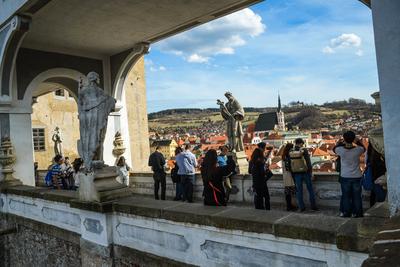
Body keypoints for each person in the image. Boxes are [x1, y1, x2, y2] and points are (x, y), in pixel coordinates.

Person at [334, 131, 365, 217]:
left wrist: (341, 141)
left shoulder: (340, 150)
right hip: (357, 176)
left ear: (344, 139)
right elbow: (363, 148)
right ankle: (358, 213)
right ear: (353, 139)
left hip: (345, 176)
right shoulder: (358, 150)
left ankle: (346, 213)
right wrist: (357, 141)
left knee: (346, 196)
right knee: (357, 196)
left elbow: (334, 148)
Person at [288, 138, 318, 212]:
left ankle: (301, 207)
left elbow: (290, 164)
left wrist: (293, 174)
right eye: (302, 143)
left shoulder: (291, 151)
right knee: (310, 189)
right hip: (305, 172)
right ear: (301, 143)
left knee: (299, 191)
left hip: (296, 173)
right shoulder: (304, 150)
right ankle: (313, 206)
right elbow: (308, 162)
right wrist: (311, 173)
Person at [366, 142, 387, 207]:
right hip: (380, 175)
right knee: (381, 195)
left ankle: (372, 207)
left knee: (374, 194)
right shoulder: (381, 155)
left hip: (374, 175)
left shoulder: (371, 153)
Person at [281, 143, 297, 211]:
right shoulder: (288, 156)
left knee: (288, 193)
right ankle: (290, 206)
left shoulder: (283, 156)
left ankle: (289, 206)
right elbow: (290, 168)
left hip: (285, 176)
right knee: (291, 193)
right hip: (289, 175)